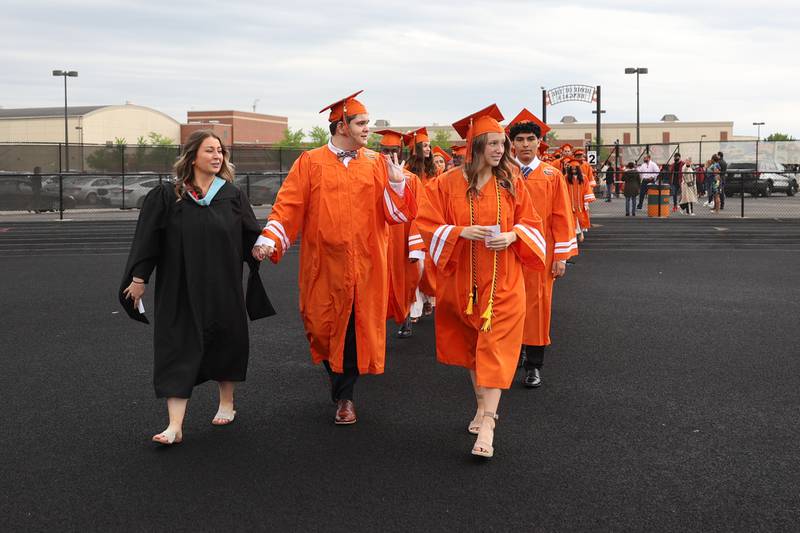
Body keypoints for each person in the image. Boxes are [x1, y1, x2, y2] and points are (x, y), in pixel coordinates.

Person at [251, 91, 415, 425]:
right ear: (341, 126)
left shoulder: (377, 164)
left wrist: (397, 187)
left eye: (367, 122)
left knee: (354, 329)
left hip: (366, 265)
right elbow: (289, 206)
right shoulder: (310, 163)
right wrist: (270, 238)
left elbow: (397, 216)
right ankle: (337, 376)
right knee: (321, 327)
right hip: (324, 264)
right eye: (361, 123)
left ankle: (345, 398)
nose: (368, 128)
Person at [119, 130, 274, 445]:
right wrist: (139, 279)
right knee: (176, 345)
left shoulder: (231, 195)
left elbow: (249, 236)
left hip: (222, 284)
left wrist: (258, 249)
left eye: (220, 151)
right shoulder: (167, 196)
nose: (217, 156)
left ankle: (226, 402)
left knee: (225, 340)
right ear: (192, 157)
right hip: (179, 287)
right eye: (210, 151)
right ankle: (174, 426)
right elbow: (148, 240)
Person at [414, 104, 546, 458]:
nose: (500, 149)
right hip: (463, 282)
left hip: (504, 281)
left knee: (495, 348)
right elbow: (425, 224)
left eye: (501, 143)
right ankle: (480, 406)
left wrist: (514, 236)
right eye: (491, 144)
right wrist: (459, 232)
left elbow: (532, 224)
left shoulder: (512, 182)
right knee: (473, 350)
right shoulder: (445, 184)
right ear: (474, 147)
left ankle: (488, 423)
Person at [507, 108, 577, 389]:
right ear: (513, 143)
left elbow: (562, 217)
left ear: (539, 143)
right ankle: (513, 357)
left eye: (530, 139)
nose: (525, 144)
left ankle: (534, 365)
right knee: (509, 306)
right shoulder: (504, 173)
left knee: (537, 308)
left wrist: (561, 256)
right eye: (520, 139)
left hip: (541, 254)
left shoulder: (551, 175)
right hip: (510, 251)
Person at [376, 129, 426, 338]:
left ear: (401, 151)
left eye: (393, 150)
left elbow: (421, 213)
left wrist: (415, 246)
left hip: (401, 239)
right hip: (378, 238)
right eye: (384, 150)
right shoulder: (371, 175)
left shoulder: (411, 179)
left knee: (404, 280)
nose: (388, 154)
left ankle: (406, 317)